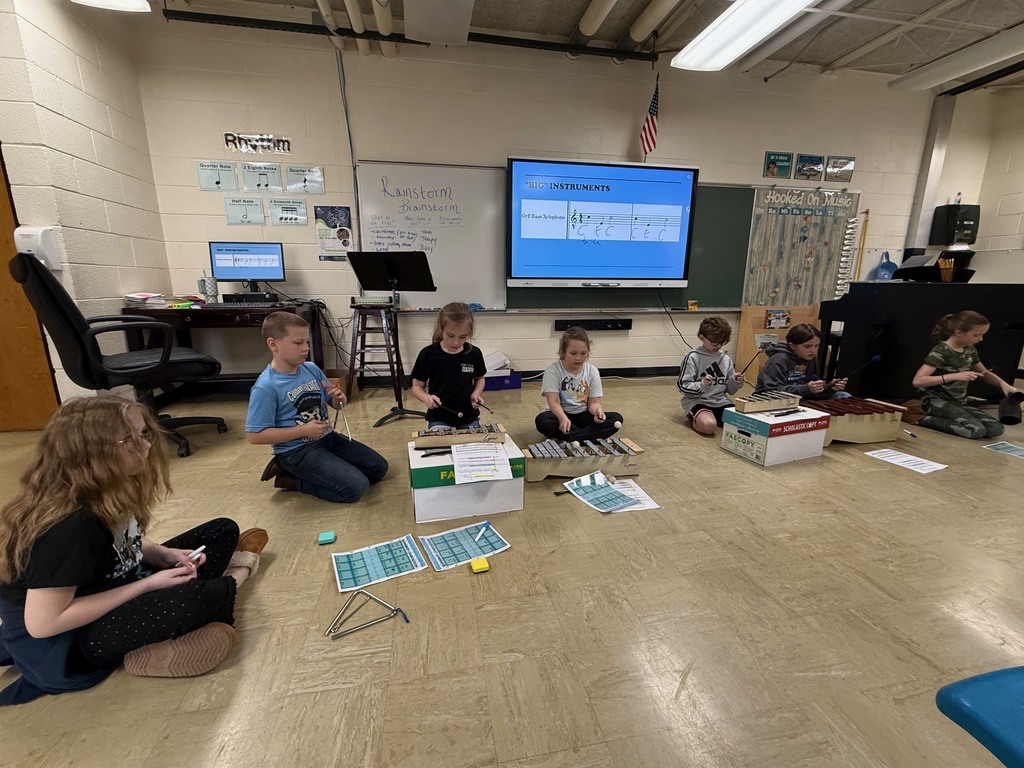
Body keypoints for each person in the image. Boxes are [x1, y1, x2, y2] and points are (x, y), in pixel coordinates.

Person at [0, 396, 268, 705]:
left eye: (143, 434)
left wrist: (161, 554)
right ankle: (237, 574)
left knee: (222, 530)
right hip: (67, 643)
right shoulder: (69, 527)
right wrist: (148, 585)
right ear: (93, 454)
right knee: (197, 597)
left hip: (109, 583)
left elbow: (119, 540)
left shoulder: (103, 488)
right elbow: (43, 623)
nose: (146, 445)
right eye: (128, 439)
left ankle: (176, 627)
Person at [245, 312, 388, 502]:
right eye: (298, 343)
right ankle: (292, 480)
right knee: (356, 488)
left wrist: (340, 398)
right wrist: (303, 430)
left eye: (307, 342)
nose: (305, 348)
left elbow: (336, 405)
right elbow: (254, 436)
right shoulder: (266, 387)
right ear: (273, 344)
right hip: (297, 451)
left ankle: (328, 468)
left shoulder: (310, 368)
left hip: (327, 438)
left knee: (379, 468)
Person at [911, 310, 1019, 439]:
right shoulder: (941, 351)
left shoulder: (970, 350)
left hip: (959, 401)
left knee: (995, 428)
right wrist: (956, 376)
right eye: (976, 335)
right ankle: (919, 418)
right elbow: (918, 381)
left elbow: (984, 373)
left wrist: (1004, 385)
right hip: (936, 400)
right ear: (958, 333)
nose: (981, 339)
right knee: (975, 430)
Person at [536, 326, 623, 442]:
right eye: (573, 353)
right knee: (542, 421)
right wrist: (562, 418)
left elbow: (594, 402)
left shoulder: (592, 371)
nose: (578, 358)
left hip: (583, 414)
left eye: (583, 353)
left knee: (616, 419)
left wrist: (598, 411)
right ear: (563, 352)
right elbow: (554, 402)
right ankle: (589, 437)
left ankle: (569, 438)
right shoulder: (553, 371)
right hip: (560, 414)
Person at [410, 302, 488, 430]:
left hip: (469, 417)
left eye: (463, 337)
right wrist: (426, 398)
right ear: (441, 329)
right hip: (439, 417)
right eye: (450, 335)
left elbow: (480, 378)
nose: (456, 342)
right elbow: (417, 386)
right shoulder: (428, 354)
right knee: (441, 449)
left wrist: (476, 393)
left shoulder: (474, 353)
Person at [677, 316, 745, 435]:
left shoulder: (726, 359)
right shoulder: (693, 357)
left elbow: (730, 390)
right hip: (697, 401)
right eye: (714, 342)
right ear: (702, 338)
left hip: (721, 401)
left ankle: (715, 418)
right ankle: (696, 418)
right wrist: (701, 385)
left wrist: (735, 381)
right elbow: (683, 386)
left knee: (745, 424)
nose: (718, 346)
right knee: (709, 426)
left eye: (722, 342)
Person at [754, 323, 848, 399]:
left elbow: (812, 393)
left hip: (799, 398)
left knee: (844, 395)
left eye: (816, 346)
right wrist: (806, 388)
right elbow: (772, 392)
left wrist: (830, 387)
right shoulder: (779, 359)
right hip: (770, 402)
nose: (813, 351)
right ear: (792, 346)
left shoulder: (810, 358)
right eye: (807, 346)